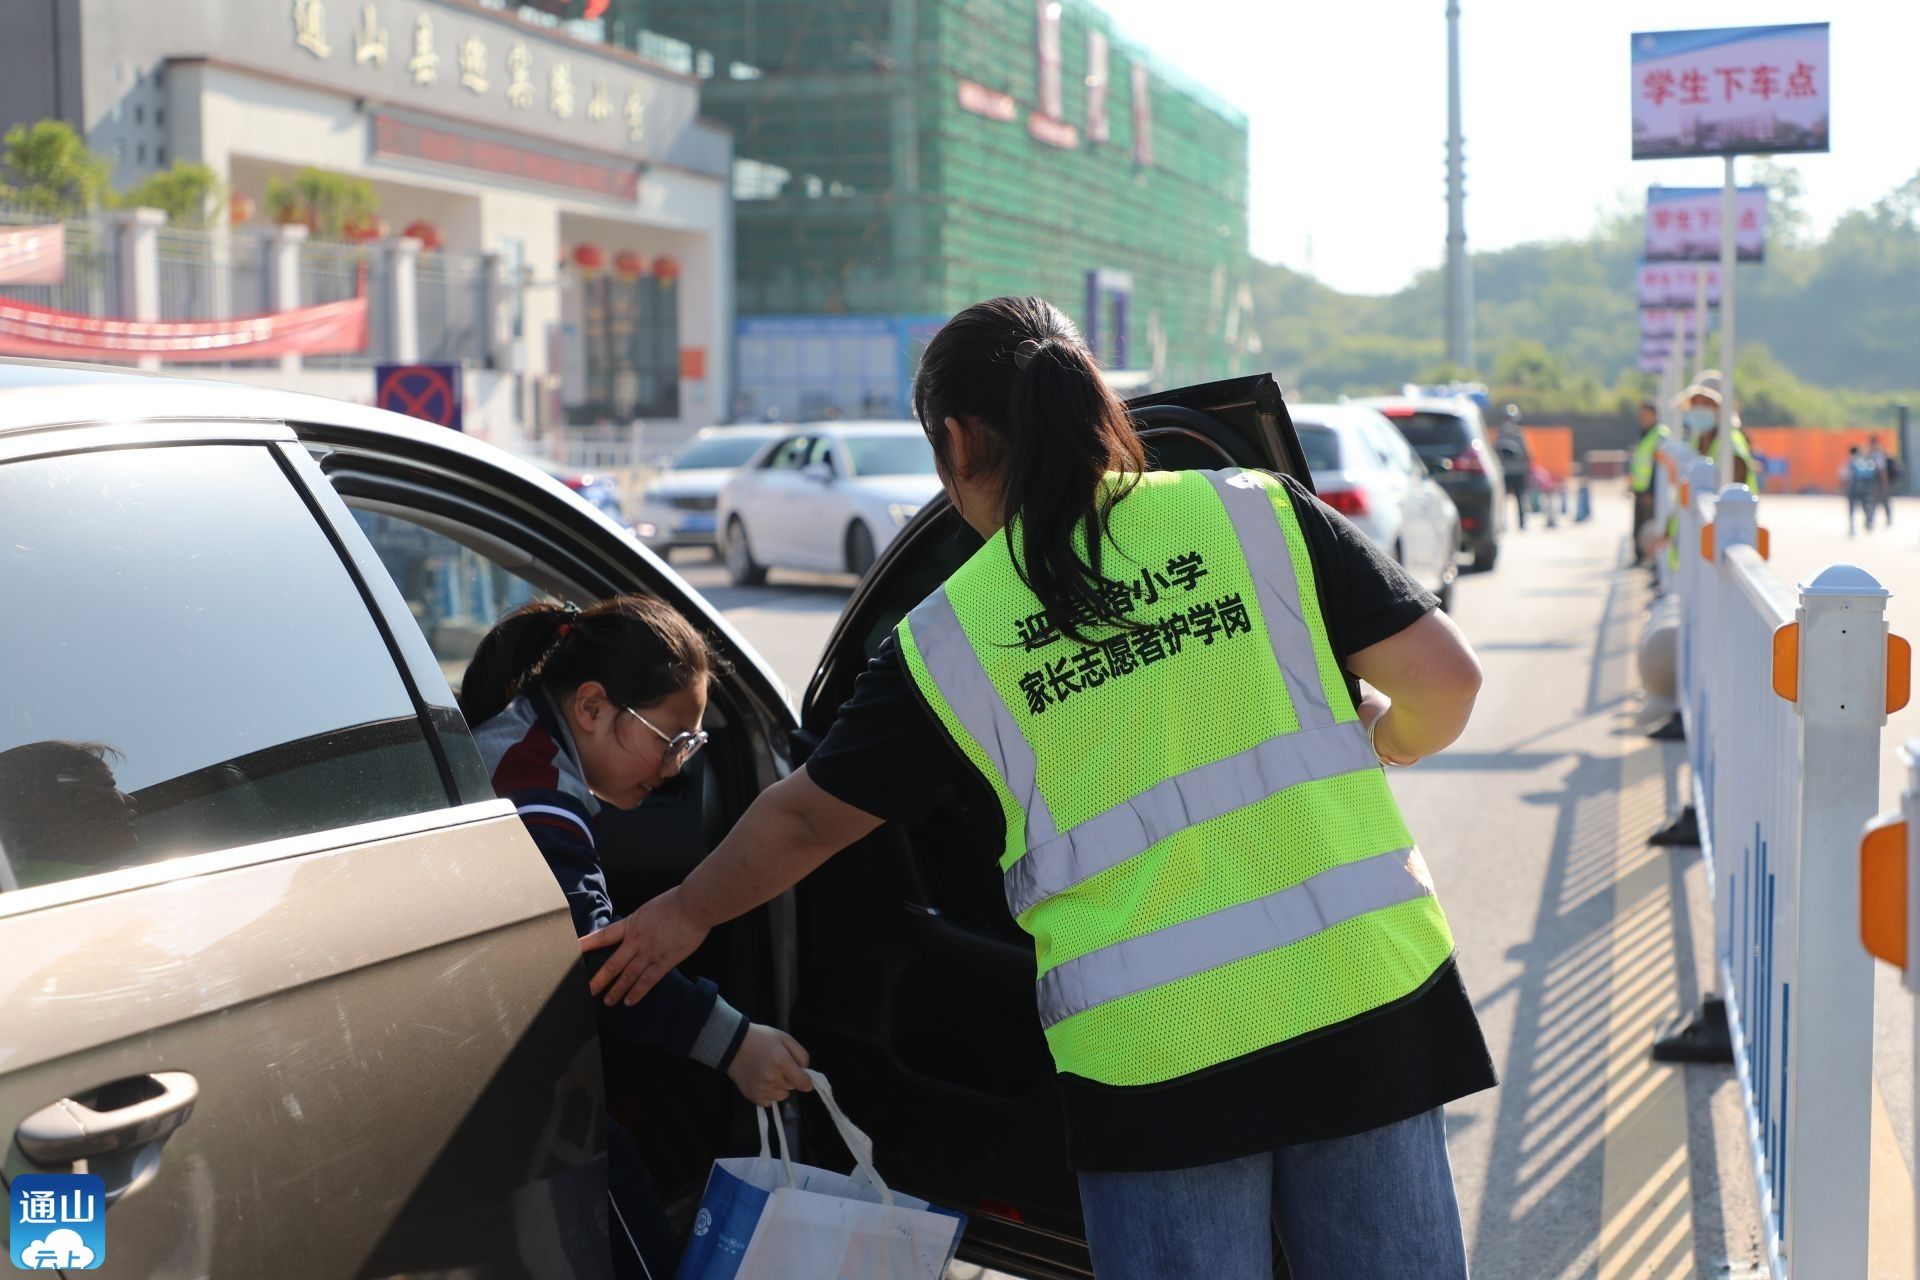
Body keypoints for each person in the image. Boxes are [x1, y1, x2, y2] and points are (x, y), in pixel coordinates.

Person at [579, 297, 1495, 1279]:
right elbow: (1448, 683)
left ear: (958, 441)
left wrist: (683, 912)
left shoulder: (952, 637)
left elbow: (807, 816)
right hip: (1365, 1000)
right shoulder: (1256, 511)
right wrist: (1384, 738)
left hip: (1156, 1058)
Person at [458, 596, 815, 1279]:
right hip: (509, 1096)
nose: (676, 767)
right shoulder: (538, 803)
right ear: (592, 708)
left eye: (692, 745)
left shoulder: (521, 750)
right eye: (670, 739)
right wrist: (736, 1043)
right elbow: (594, 968)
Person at [0, 740, 140, 890]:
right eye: (109, 784)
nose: (131, 799)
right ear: (48, 804)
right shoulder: (123, 885)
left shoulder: (13, 891)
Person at [1629, 401, 1668, 566]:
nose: (1643, 418)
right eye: (1641, 415)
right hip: (1640, 488)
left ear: (1655, 415)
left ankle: (1652, 560)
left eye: (1647, 414)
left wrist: (1652, 491)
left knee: (1650, 527)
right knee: (1639, 526)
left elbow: (1658, 467)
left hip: (1650, 491)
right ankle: (1640, 557)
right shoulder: (1644, 434)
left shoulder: (1659, 435)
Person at [1493, 405, 1531, 530]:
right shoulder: (1503, 434)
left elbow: (1525, 454)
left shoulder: (1516, 434)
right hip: (1507, 471)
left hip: (1515, 471)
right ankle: (1504, 522)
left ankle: (1520, 522)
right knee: (1505, 498)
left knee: (1519, 497)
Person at [1843, 444, 1880, 536]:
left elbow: (1845, 475)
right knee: (1866, 506)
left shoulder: (1850, 462)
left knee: (1852, 509)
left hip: (1853, 488)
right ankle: (1868, 521)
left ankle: (1852, 527)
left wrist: (1843, 487)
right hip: (1866, 488)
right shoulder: (1866, 461)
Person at [1868, 436, 1899, 527]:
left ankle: (1879, 519)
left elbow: (1882, 471)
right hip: (1876, 483)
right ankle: (1871, 519)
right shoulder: (1872, 454)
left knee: (1880, 501)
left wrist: (1885, 484)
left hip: (1879, 483)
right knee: (1876, 502)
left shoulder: (1877, 455)